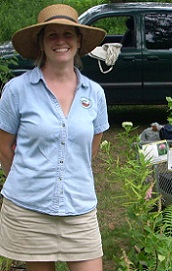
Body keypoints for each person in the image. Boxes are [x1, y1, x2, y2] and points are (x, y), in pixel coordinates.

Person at [0, 4, 109, 271]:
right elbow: (4, 148)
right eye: (52, 35)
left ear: (79, 40)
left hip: (79, 207)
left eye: (68, 34)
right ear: (40, 43)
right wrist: (31, 179)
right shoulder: (17, 91)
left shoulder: (94, 94)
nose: (61, 41)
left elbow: (89, 150)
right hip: (30, 209)